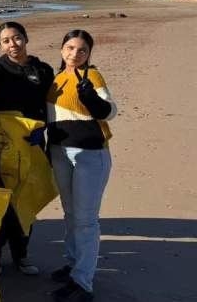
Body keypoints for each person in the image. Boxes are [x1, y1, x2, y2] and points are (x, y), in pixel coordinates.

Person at [46, 30, 117, 302]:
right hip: (60, 153)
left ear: (89, 54)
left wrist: (91, 99)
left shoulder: (92, 76)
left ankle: (83, 281)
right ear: (62, 49)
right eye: (70, 48)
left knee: (86, 220)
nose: (75, 54)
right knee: (69, 213)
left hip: (90, 155)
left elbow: (110, 111)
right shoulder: (55, 79)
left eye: (82, 50)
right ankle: (74, 262)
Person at [0, 22, 54, 275]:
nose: (13, 44)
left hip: (30, 141)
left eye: (17, 38)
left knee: (25, 195)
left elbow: (49, 106)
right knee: (0, 197)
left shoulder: (42, 69)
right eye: (6, 40)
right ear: (0, 44)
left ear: (26, 38)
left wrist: (43, 129)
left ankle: (21, 253)